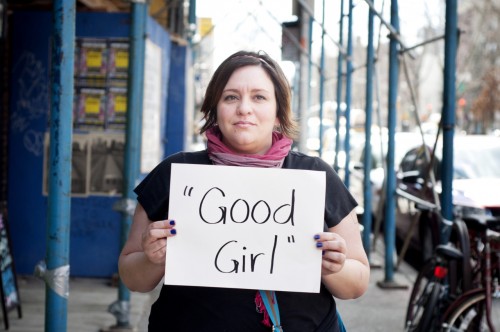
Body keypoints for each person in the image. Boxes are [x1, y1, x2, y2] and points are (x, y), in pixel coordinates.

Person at [118, 50, 370, 331]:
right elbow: (133, 278)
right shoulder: (175, 173)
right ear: (215, 109)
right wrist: (154, 259)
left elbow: (357, 283)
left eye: (259, 97)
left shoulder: (315, 175)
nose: (244, 108)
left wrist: (334, 268)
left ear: (278, 113)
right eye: (231, 97)